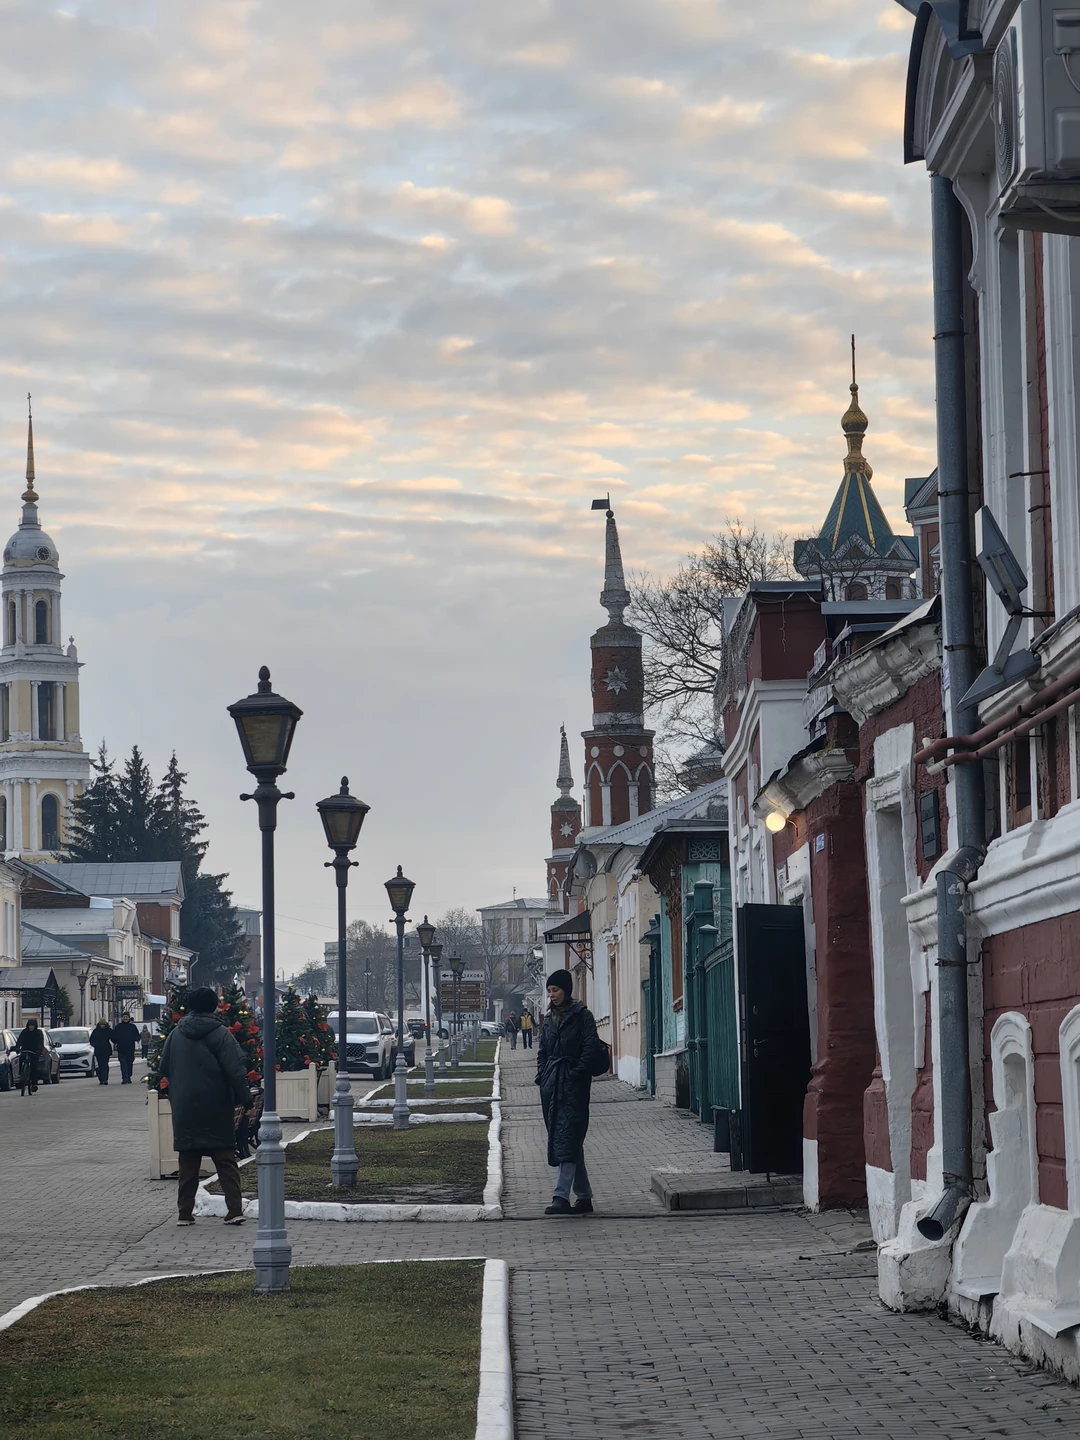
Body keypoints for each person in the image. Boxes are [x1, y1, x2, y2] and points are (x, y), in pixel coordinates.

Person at [159, 986, 252, 1227]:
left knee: (188, 1160)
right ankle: (234, 1210)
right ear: (214, 1006)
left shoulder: (175, 1034)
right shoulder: (221, 1034)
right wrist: (245, 1098)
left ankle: (184, 1213)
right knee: (225, 1159)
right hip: (216, 1104)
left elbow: (164, 1066)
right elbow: (235, 1069)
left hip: (185, 1106)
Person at [535, 969, 605, 1217]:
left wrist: (577, 1072)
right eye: (549, 991)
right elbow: (543, 1050)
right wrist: (542, 1075)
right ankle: (584, 1197)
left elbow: (590, 1046)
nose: (552, 995)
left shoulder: (582, 1016)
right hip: (552, 1084)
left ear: (566, 990)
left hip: (574, 1085)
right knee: (567, 1139)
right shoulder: (548, 1019)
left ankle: (560, 1196)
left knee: (569, 1137)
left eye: (556, 990)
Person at [14, 1017, 44, 1094]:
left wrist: (39, 1050)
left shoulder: (38, 1033)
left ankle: (34, 1084)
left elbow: (40, 1042)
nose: (31, 1027)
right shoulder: (24, 1032)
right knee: (21, 1060)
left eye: (32, 1025)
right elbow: (19, 1040)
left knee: (34, 1067)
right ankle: (21, 1075)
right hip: (25, 1050)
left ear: (35, 1026)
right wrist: (17, 1048)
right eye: (30, 1025)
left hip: (34, 1052)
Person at [111, 1012, 140, 1084]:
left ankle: (129, 1076)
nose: (125, 1018)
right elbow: (114, 1036)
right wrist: (115, 1040)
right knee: (123, 1064)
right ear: (122, 1018)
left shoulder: (132, 1027)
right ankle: (125, 1077)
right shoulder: (118, 1027)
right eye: (124, 1017)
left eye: (126, 1017)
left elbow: (137, 1036)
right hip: (121, 1049)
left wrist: (135, 1038)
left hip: (130, 1048)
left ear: (129, 1018)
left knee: (129, 1063)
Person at [90, 1017, 114, 1084]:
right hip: (98, 1050)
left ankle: (105, 1079)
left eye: (103, 1024)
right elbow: (91, 1040)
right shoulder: (96, 1031)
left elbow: (113, 1037)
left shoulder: (108, 1030)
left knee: (105, 1065)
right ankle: (101, 1079)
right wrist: (96, 1045)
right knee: (100, 1065)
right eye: (101, 1025)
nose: (102, 1026)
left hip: (106, 1050)